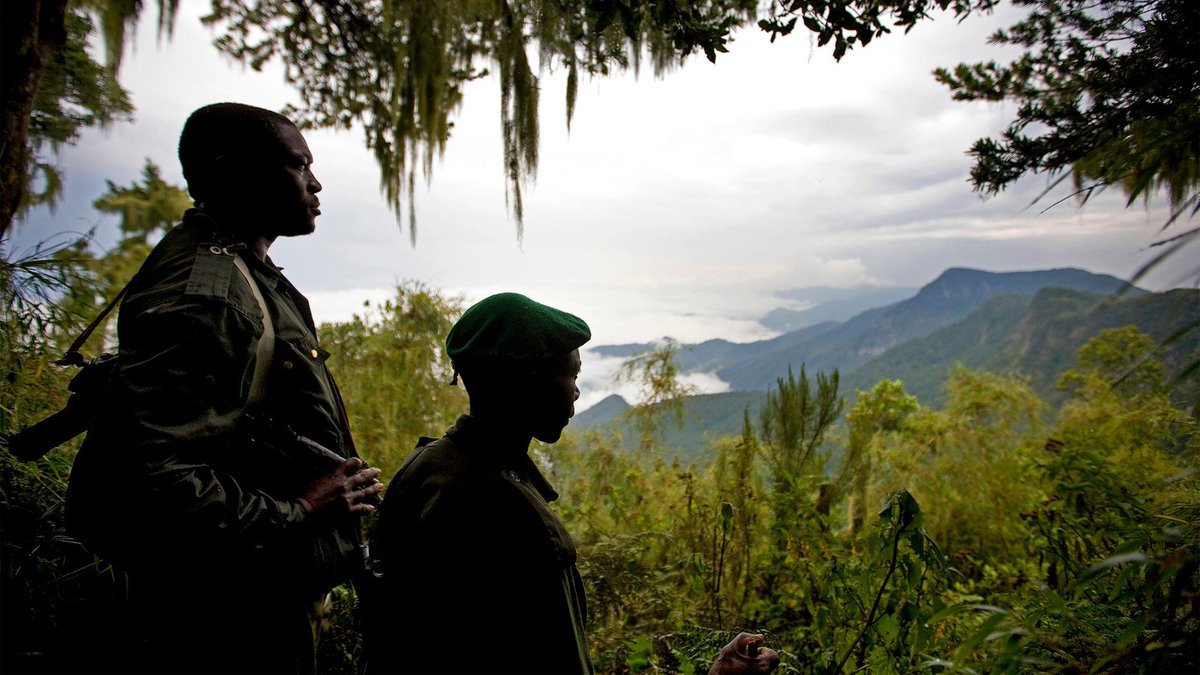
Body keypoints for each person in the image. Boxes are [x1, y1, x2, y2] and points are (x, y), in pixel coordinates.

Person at [64, 102, 384, 675]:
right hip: (228, 617)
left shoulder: (242, 270)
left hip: (257, 595)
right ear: (231, 171)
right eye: (297, 165)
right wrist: (301, 511)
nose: (314, 184)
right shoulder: (208, 296)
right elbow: (152, 477)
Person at [365, 292, 778, 675]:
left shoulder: (431, 466)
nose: (577, 392)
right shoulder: (494, 506)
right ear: (529, 382)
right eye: (572, 374)